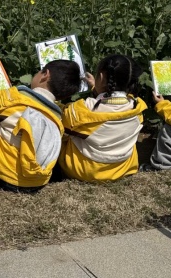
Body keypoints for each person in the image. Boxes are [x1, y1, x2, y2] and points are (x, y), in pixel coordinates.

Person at [0, 60, 81, 192]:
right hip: (37, 182)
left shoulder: (14, 100)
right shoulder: (59, 117)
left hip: (6, 177)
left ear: (45, 75)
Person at [59, 54, 147, 182]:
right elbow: (112, 104)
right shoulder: (137, 108)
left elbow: (62, 118)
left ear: (100, 77)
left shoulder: (82, 110)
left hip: (86, 171)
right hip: (123, 168)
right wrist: (96, 87)